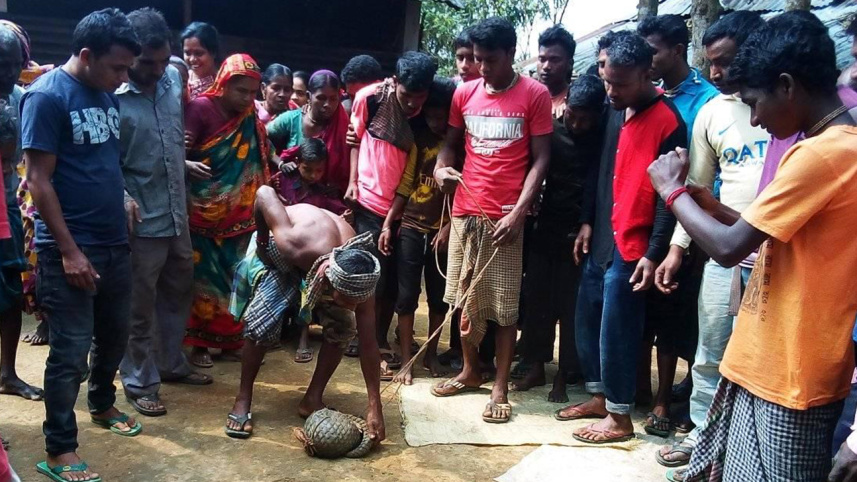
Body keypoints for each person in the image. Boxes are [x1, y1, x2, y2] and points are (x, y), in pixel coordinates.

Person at [647, 12, 857, 482]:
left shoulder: (822, 154)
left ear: (787, 86)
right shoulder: (828, 146)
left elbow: (727, 248)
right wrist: (706, 203)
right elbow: (762, 233)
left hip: (792, 374)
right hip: (770, 363)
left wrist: (673, 192)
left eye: (755, 103)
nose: (756, 119)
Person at [21, 9, 144, 481]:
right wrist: (71, 252)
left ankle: (103, 404)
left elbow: (102, 163)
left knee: (114, 337)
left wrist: (126, 197)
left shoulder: (106, 96)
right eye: (116, 67)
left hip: (114, 242)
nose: (122, 77)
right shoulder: (47, 97)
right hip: (68, 250)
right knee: (70, 352)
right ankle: (59, 449)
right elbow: (38, 180)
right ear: (87, 55)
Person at [652, 10, 768, 470]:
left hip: (777, 248)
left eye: (724, 61)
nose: (715, 73)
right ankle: (702, 437)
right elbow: (696, 188)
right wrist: (678, 250)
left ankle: (742, 448)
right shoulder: (710, 113)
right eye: (710, 63)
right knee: (711, 348)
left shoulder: (785, 105)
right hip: (724, 246)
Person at [558, 32, 683, 444]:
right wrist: (588, 221)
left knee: (619, 329)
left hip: (634, 245)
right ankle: (598, 397)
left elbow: (670, 197)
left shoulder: (668, 121)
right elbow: (600, 167)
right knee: (587, 318)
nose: (610, 91)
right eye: (607, 81)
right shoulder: (615, 109)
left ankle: (620, 416)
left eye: (621, 83)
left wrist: (653, 251)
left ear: (647, 74)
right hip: (603, 235)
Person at [431, 17, 552, 425]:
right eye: (478, 59)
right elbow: (449, 148)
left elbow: (542, 159)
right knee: (464, 298)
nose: (482, 67)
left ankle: (499, 385)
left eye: (491, 60)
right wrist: (441, 171)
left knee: (503, 307)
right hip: (466, 210)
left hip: (505, 217)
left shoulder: (534, 94)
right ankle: (470, 370)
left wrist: (519, 212)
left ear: (510, 54)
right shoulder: (463, 93)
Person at [225, 186, 385, 444]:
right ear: (330, 283)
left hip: (324, 256)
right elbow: (264, 193)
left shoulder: (361, 277)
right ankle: (243, 398)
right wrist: (264, 243)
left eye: (357, 302)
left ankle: (312, 399)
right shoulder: (294, 244)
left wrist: (374, 406)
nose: (354, 306)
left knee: (344, 326)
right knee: (260, 325)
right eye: (348, 301)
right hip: (280, 254)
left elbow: (369, 343)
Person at [116, 8, 213, 418]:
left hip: (177, 211)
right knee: (139, 303)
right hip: (141, 221)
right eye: (147, 63)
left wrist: (182, 163)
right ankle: (138, 379)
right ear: (130, 56)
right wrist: (120, 195)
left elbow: (169, 138)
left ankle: (170, 362)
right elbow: (104, 161)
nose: (157, 70)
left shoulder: (174, 79)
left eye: (162, 60)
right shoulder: (112, 96)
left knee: (178, 290)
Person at [636, 12, 720, 436]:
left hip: (688, 221)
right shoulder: (644, 95)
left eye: (653, 51)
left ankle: (668, 401)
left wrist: (686, 239)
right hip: (646, 219)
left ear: (676, 49)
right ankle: (642, 390)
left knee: (680, 315)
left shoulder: (707, 101)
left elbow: (704, 175)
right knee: (647, 311)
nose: (647, 59)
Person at [513, 26, 598, 400]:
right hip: (541, 219)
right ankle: (533, 364)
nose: (546, 66)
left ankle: (566, 372)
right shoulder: (545, 112)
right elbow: (533, 161)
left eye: (555, 59)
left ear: (569, 61)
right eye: (542, 58)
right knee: (535, 295)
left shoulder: (596, 122)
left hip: (578, 227)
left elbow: (598, 180)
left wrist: (588, 221)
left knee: (570, 301)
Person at [345, 52, 437, 374]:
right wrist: (353, 180)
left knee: (396, 283)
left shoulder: (428, 113)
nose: (412, 104)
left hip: (408, 210)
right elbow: (354, 139)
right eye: (406, 95)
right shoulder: (368, 100)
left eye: (419, 97)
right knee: (373, 278)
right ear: (394, 82)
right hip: (370, 202)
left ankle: (380, 338)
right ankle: (368, 338)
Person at [183, 54, 271, 368]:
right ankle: (200, 345)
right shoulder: (200, 109)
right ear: (223, 84)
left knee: (238, 278)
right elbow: (182, 153)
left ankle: (233, 341)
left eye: (252, 92)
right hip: (203, 212)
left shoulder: (250, 116)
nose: (247, 98)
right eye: (240, 91)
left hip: (242, 216)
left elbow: (260, 157)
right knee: (204, 281)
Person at [375, 76, 456, 385]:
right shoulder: (418, 141)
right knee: (407, 296)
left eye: (442, 117)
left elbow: (463, 190)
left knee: (439, 298)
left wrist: (449, 226)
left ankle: (431, 354)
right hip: (411, 225)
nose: (436, 123)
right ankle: (408, 358)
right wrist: (388, 223)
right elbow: (406, 184)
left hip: (442, 231)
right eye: (431, 116)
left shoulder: (458, 146)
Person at [271, 137, 349, 364]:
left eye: (318, 171)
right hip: (283, 245)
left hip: (307, 253)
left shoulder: (322, 191)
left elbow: (334, 209)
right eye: (307, 169)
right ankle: (277, 330)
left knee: (308, 285)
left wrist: (344, 214)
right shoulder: (281, 180)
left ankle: (303, 336)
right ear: (297, 163)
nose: (313, 175)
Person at [0, 24, 42, 402]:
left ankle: (8, 373)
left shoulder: (22, 97)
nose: (6, 72)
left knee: (11, 293)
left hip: (9, 208)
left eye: (14, 64)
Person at [267, 70, 351, 194]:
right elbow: (260, 136)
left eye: (333, 99)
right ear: (309, 96)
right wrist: (280, 163)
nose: (327, 104)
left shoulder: (344, 128)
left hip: (327, 200)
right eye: (321, 98)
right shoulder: (291, 119)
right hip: (291, 195)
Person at [181, 21, 219, 101]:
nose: (192, 59)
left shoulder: (222, 86)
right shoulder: (181, 78)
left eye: (199, 53)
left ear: (213, 53)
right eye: (187, 53)